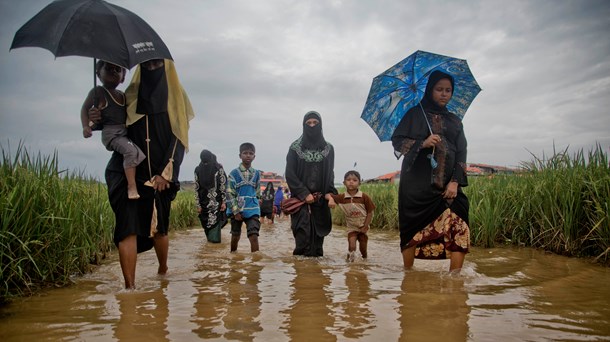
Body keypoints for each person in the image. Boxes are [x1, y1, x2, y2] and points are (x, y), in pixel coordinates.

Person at [93, 58, 194, 289]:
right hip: (126, 171)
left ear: (166, 67)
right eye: (146, 65)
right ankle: (129, 288)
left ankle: (162, 271)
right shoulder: (128, 96)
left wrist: (165, 173)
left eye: (156, 64)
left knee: (159, 228)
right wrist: (95, 118)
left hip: (159, 174)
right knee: (126, 227)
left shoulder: (177, 98)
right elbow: (113, 124)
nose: (150, 68)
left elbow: (179, 138)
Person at [391, 70, 470, 272]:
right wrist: (422, 143)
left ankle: (456, 279)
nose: (444, 94)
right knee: (411, 232)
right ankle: (408, 274)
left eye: (448, 90)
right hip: (416, 186)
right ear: (430, 90)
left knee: (459, 221)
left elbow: (461, 152)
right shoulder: (414, 114)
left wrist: (455, 182)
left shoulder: (455, 121)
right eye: (439, 89)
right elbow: (398, 142)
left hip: (447, 184)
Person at [81, 60, 145, 200]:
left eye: (118, 69)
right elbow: (85, 108)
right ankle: (131, 186)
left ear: (123, 78)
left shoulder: (122, 95)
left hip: (123, 132)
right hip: (112, 133)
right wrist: (87, 125)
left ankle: (132, 179)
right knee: (131, 152)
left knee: (139, 154)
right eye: (108, 68)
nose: (113, 71)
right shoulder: (98, 92)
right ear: (98, 73)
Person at [285, 111, 337, 257]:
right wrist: (304, 193)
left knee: (318, 243)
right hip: (301, 202)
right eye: (309, 123)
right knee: (303, 240)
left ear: (320, 125)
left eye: (315, 123)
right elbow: (290, 174)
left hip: (320, 202)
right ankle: (301, 276)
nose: (312, 126)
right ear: (303, 125)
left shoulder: (328, 149)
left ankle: (317, 277)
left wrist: (331, 194)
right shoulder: (295, 148)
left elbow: (330, 173)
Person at [330, 170, 375, 262]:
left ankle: (365, 263)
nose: (351, 182)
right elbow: (329, 195)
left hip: (363, 227)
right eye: (348, 180)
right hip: (351, 227)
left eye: (354, 180)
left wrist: (366, 226)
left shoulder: (364, 197)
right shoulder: (342, 197)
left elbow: (370, 212)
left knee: (363, 250)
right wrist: (331, 199)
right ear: (344, 183)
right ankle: (349, 264)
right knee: (352, 246)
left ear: (359, 183)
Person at [226, 143, 261, 252]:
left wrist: (257, 203)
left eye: (251, 153)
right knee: (235, 236)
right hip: (237, 210)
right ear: (240, 155)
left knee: (253, 236)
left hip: (252, 209)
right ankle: (233, 257)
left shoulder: (257, 173)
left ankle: (255, 265)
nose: (248, 156)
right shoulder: (234, 173)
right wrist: (236, 211)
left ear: (254, 157)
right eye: (245, 153)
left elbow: (258, 191)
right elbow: (229, 193)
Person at [194, 149, 227, 243]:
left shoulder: (218, 168)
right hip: (203, 204)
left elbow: (223, 185)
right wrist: (198, 205)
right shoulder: (197, 170)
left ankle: (214, 249)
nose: (206, 164)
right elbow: (196, 188)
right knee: (206, 225)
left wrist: (224, 202)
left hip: (216, 203)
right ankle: (210, 246)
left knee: (215, 228)